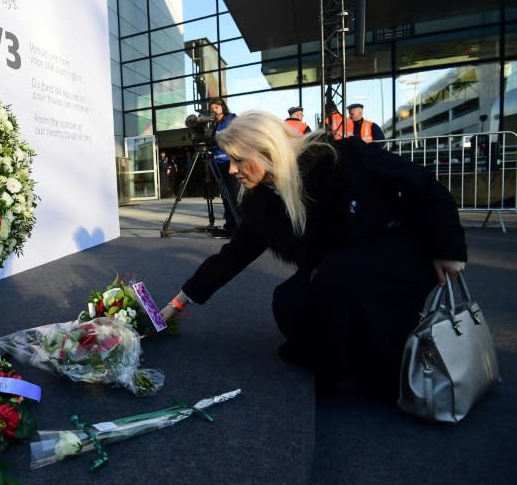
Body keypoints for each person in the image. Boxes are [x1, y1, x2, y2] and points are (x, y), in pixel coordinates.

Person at [159, 110, 467, 396]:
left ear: (267, 151)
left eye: (239, 159)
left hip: (395, 253)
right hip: (338, 267)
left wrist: (448, 248)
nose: (233, 169)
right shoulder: (261, 203)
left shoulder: (340, 157)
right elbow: (231, 257)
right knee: (287, 301)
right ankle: (343, 355)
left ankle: (374, 373)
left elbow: (423, 183)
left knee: (337, 280)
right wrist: (175, 304)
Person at [208, 97, 240, 236]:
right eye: (212, 108)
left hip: (229, 162)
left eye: (216, 107)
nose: (214, 110)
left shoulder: (231, 119)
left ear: (222, 107)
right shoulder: (214, 123)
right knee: (225, 196)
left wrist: (234, 162)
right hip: (218, 163)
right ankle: (230, 225)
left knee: (233, 195)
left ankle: (239, 225)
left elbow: (235, 140)